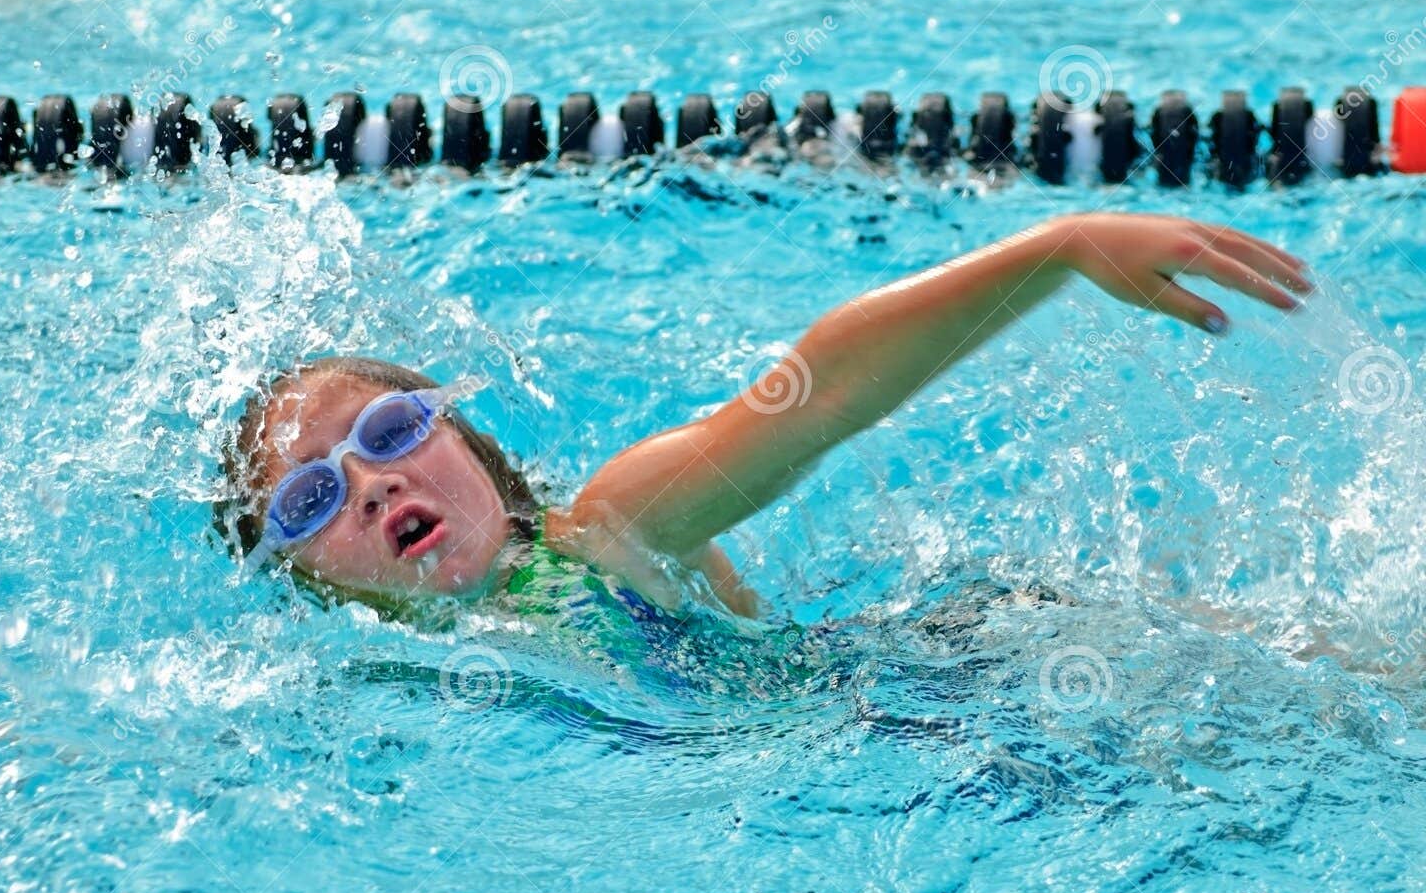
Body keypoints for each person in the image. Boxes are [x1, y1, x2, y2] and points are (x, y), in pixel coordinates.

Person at [215, 212, 1312, 623]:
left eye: (394, 431)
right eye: (311, 497)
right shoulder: (362, 676)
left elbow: (819, 391)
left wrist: (1058, 249)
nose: (371, 481)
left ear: (476, 452)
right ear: (303, 580)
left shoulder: (607, 530)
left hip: (944, 692)